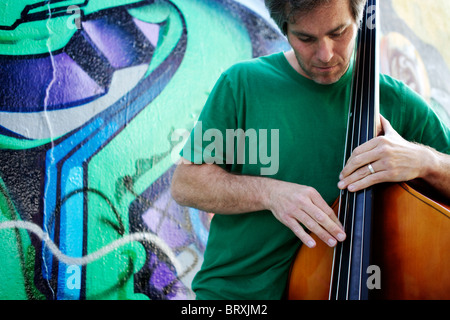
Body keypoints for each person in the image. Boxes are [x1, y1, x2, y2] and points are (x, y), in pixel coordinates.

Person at [170, 0, 450, 300]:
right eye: (306, 39)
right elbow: (186, 185)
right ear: (286, 30)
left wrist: (425, 160)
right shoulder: (243, 84)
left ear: (357, 21)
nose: (326, 54)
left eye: (339, 32)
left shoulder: (397, 102)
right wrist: (270, 193)